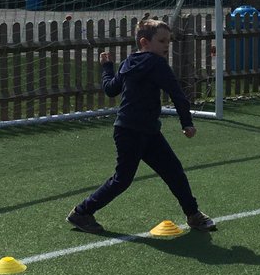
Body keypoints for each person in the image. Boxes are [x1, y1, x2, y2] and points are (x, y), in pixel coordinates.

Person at [67, 18, 215, 234]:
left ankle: (193, 214)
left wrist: (107, 67)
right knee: (123, 179)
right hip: (132, 132)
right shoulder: (157, 64)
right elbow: (177, 94)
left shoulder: (128, 62)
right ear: (144, 42)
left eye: (169, 41)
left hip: (140, 131)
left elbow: (110, 89)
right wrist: (187, 123)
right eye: (162, 41)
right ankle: (82, 212)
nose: (167, 45)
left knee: (173, 171)